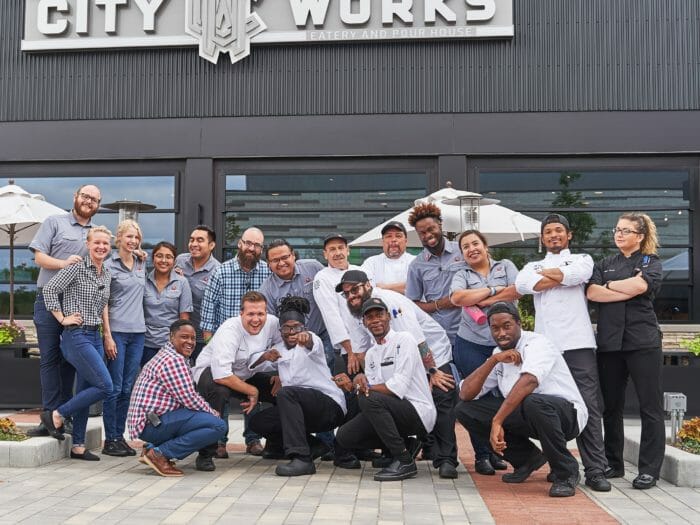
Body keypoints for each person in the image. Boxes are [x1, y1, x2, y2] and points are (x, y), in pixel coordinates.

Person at [516, 213, 611, 492]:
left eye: (559, 230)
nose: (553, 235)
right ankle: (561, 467)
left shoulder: (583, 259)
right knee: (549, 408)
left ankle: (595, 469)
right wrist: (559, 277)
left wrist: (548, 278)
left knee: (590, 407)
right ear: (542, 238)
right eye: (548, 232)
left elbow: (577, 275)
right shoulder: (531, 264)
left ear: (568, 235)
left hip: (578, 343)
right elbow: (523, 286)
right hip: (547, 348)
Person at [456, 302, 589, 498]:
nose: (501, 333)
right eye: (495, 328)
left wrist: (497, 420)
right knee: (465, 410)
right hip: (530, 415)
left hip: (566, 416)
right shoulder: (497, 354)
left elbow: (529, 381)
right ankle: (527, 459)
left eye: (507, 326)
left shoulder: (538, 343)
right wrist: (493, 361)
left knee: (533, 401)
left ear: (519, 324)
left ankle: (566, 473)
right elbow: (466, 394)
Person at [336, 270, 459, 479]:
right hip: (391, 353)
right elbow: (361, 350)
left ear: (367, 285)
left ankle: (446, 460)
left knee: (441, 395)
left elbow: (418, 341)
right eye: (346, 293)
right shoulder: (355, 311)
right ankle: (403, 447)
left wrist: (433, 371)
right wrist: (362, 378)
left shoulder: (390, 301)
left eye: (354, 290)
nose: (351, 296)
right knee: (371, 400)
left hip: (432, 352)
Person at [586, 212, 665, 490]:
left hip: (642, 343)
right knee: (611, 407)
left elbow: (642, 285)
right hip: (609, 345)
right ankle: (613, 463)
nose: (619, 234)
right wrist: (623, 288)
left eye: (626, 231)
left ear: (640, 236)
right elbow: (592, 293)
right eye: (617, 229)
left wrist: (611, 287)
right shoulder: (605, 263)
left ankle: (648, 470)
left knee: (650, 408)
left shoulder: (649, 261)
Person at [28, 184, 102, 437]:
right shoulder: (54, 222)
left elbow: (105, 258)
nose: (89, 201)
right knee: (49, 359)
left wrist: (136, 253)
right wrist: (63, 263)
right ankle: (49, 415)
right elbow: (39, 257)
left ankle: (63, 416)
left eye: (94, 199)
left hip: (76, 304)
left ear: (98, 205)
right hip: (48, 297)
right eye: (85, 196)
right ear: (76, 197)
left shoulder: (97, 233)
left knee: (70, 359)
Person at [336, 297, 437, 482]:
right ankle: (405, 445)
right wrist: (355, 385)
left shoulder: (404, 339)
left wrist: (365, 386)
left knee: (368, 398)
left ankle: (404, 460)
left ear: (388, 317)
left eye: (379, 315)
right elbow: (371, 389)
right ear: (364, 323)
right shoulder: (372, 353)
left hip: (418, 411)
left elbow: (399, 385)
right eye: (370, 317)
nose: (375, 320)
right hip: (393, 410)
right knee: (344, 436)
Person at [248, 296, 349, 476]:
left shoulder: (312, 341)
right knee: (259, 422)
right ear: (280, 330)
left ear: (304, 328)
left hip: (329, 408)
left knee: (286, 394)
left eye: (296, 327)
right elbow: (253, 365)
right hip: (302, 410)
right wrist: (264, 357)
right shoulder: (278, 348)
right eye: (286, 328)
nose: (291, 332)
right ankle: (315, 446)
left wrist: (306, 337)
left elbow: (312, 343)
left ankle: (302, 459)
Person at [40, 225, 114, 461]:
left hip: (95, 335)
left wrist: (106, 334)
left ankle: (79, 445)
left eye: (105, 243)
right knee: (105, 386)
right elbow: (49, 290)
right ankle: (57, 414)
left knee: (85, 389)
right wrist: (62, 318)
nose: (101, 246)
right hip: (76, 335)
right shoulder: (77, 267)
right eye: (97, 243)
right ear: (88, 244)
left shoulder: (106, 273)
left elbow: (103, 305)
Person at [449, 229, 518, 475]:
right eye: (465, 247)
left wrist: (478, 301)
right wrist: (492, 291)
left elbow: (517, 291)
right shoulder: (461, 274)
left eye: (475, 243)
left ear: (485, 246)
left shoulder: (506, 265)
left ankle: (499, 451)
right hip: (470, 344)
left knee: (503, 395)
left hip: (503, 343)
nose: (471, 249)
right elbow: (457, 298)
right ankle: (481, 455)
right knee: (476, 397)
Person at [199, 227, 271, 455]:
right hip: (226, 346)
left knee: (255, 390)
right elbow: (208, 313)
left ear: (261, 249)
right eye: (248, 243)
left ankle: (252, 439)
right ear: (239, 244)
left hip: (254, 348)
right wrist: (213, 346)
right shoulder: (221, 272)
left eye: (257, 245)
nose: (251, 248)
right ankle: (220, 440)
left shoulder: (268, 273)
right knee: (221, 389)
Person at [192, 291, 281, 470]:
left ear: (266, 313)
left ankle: (277, 443)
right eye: (250, 314)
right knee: (219, 392)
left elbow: (282, 350)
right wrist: (252, 391)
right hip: (212, 372)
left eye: (260, 314)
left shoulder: (273, 323)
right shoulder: (229, 329)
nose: (256, 319)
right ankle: (206, 453)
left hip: (246, 372)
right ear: (241, 314)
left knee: (283, 392)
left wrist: (281, 375)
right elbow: (221, 374)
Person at [127, 320, 226, 477]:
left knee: (203, 418)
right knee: (218, 426)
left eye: (193, 338)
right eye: (184, 337)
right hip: (151, 424)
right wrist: (212, 411)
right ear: (171, 337)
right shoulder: (173, 360)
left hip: (151, 421)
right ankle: (159, 454)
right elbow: (189, 398)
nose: (190, 342)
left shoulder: (170, 354)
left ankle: (151, 448)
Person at [101, 219, 147, 458]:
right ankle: (111, 439)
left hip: (138, 333)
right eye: (129, 237)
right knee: (114, 387)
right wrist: (107, 336)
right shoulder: (109, 266)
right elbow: (104, 305)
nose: (133, 241)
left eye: (136, 237)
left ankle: (121, 437)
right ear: (118, 239)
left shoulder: (141, 263)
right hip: (117, 332)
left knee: (128, 388)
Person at [405, 203, 466, 344]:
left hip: (472, 332)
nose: (428, 235)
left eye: (431, 229)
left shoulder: (463, 250)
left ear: (440, 225)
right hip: (440, 336)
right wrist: (440, 304)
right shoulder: (416, 266)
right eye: (422, 233)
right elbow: (411, 305)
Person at [313, 233, 367, 375]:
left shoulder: (361, 270)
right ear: (325, 254)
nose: (338, 253)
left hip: (373, 342)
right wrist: (351, 351)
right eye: (332, 249)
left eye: (340, 248)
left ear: (347, 250)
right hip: (350, 347)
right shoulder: (322, 278)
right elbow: (332, 317)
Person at [174, 225, 221, 363]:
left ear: (211, 245)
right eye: (191, 240)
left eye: (200, 240)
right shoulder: (179, 261)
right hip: (178, 333)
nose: (194, 244)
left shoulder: (218, 271)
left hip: (202, 337)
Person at [141, 241, 193, 365]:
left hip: (170, 345)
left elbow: (184, 319)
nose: (163, 260)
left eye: (168, 257)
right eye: (159, 256)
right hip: (146, 344)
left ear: (174, 261)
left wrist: (179, 344)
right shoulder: (143, 281)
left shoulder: (182, 282)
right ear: (153, 258)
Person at [361, 221, 415, 295]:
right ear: (382, 242)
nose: (393, 240)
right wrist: (403, 286)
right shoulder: (371, 262)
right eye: (389, 236)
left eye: (398, 236)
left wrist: (383, 287)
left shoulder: (415, 261)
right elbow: (365, 288)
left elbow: (418, 287)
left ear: (406, 241)